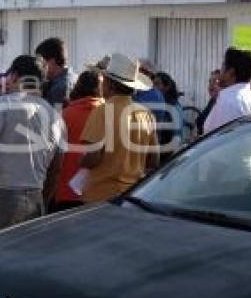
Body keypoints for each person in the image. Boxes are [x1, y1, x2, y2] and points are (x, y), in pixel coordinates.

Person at [0, 55, 64, 240]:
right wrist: (43, 198)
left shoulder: (4, 104)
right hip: (35, 196)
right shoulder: (55, 116)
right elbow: (57, 167)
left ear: (14, 76)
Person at [80, 53, 159, 204]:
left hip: (101, 194)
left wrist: (81, 161)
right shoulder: (146, 114)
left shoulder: (102, 111)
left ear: (109, 84)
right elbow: (153, 160)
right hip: (133, 194)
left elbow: (93, 157)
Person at [53, 69, 103, 212]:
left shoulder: (65, 114)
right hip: (98, 191)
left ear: (78, 87)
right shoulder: (108, 114)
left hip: (65, 190)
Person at [203, 47, 251, 133]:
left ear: (231, 72)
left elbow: (209, 134)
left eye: (223, 65)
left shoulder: (227, 100)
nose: (220, 71)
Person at [35, 37, 76, 108]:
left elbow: (55, 116)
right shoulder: (74, 77)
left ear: (51, 62)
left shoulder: (60, 87)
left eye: (40, 63)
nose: (38, 67)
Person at [152, 71, 184, 162]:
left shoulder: (172, 108)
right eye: (153, 84)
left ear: (166, 87)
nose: (153, 88)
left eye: (157, 84)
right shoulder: (162, 104)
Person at [196, 69, 221, 136]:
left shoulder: (222, 104)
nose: (211, 84)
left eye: (215, 81)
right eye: (210, 81)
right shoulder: (212, 101)